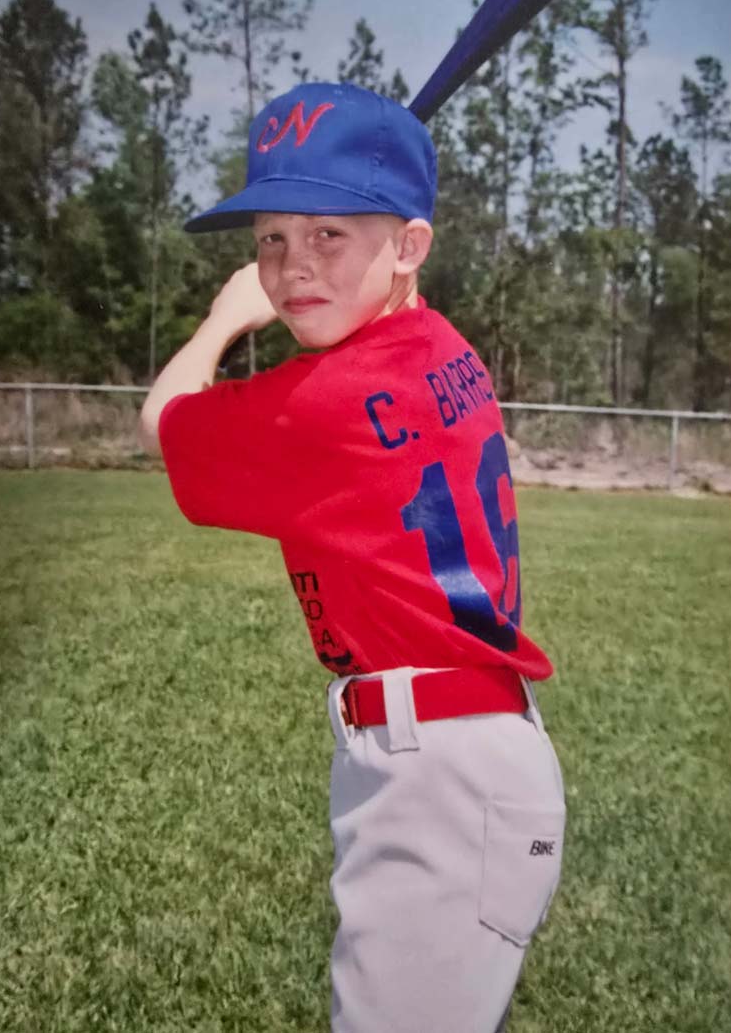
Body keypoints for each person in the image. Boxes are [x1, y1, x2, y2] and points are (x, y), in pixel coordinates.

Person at [138, 81, 565, 1033]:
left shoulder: (322, 403)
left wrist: (223, 320)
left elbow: (162, 423)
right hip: (464, 758)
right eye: (270, 240)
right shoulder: (440, 342)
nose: (291, 267)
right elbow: (374, 314)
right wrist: (353, 246)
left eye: (328, 233)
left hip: (439, 776)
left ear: (411, 246)